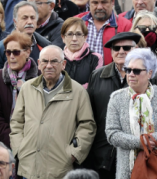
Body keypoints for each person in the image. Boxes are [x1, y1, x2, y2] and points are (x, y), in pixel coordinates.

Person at [9, 45, 95, 179]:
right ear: (38, 64)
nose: (49, 66)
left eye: (54, 61)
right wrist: (19, 149)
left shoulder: (78, 91)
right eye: (44, 61)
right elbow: (16, 122)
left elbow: (87, 126)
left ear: (63, 64)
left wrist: (72, 154)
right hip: (28, 165)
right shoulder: (27, 88)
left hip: (59, 168)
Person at [105, 48, 157, 179]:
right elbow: (112, 133)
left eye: (136, 71)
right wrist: (139, 142)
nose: (130, 74)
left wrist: (153, 140)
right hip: (127, 171)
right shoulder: (116, 98)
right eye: (128, 70)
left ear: (149, 73)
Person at [0, 31, 38, 146]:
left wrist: (28, 140)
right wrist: (13, 140)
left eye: (16, 52)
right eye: (8, 53)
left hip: (34, 143)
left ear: (27, 52)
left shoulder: (39, 78)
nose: (12, 56)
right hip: (5, 143)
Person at [61, 17, 102, 85]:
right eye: (70, 34)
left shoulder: (96, 58)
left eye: (79, 34)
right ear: (63, 38)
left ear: (85, 37)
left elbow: (95, 84)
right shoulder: (58, 58)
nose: (74, 39)